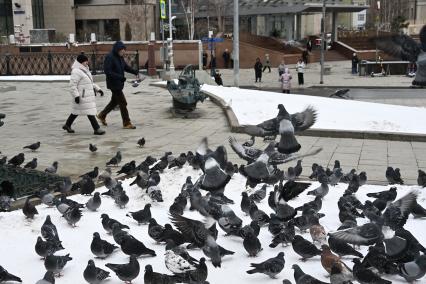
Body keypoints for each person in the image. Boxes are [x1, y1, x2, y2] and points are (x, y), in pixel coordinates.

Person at [97, 41, 140, 129]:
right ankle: (126, 123)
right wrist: (120, 77)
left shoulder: (120, 57)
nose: (124, 52)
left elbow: (126, 67)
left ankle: (102, 115)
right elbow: (108, 72)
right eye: (122, 50)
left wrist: (135, 72)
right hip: (113, 84)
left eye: (124, 50)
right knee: (123, 102)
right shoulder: (110, 57)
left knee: (114, 101)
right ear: (117, 49)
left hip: (119, 83)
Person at [63, 54, 105, 135]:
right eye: (86, 61)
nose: (87, 62)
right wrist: (76, 96)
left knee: (76, 112)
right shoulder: (76, 71)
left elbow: (89, 83)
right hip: (82, 96)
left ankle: (67, 125)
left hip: (85, 96)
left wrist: (98, 89)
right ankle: (96, 129)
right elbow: (72, 85)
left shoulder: (85, 70)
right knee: (89, 112)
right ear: (81, 62)